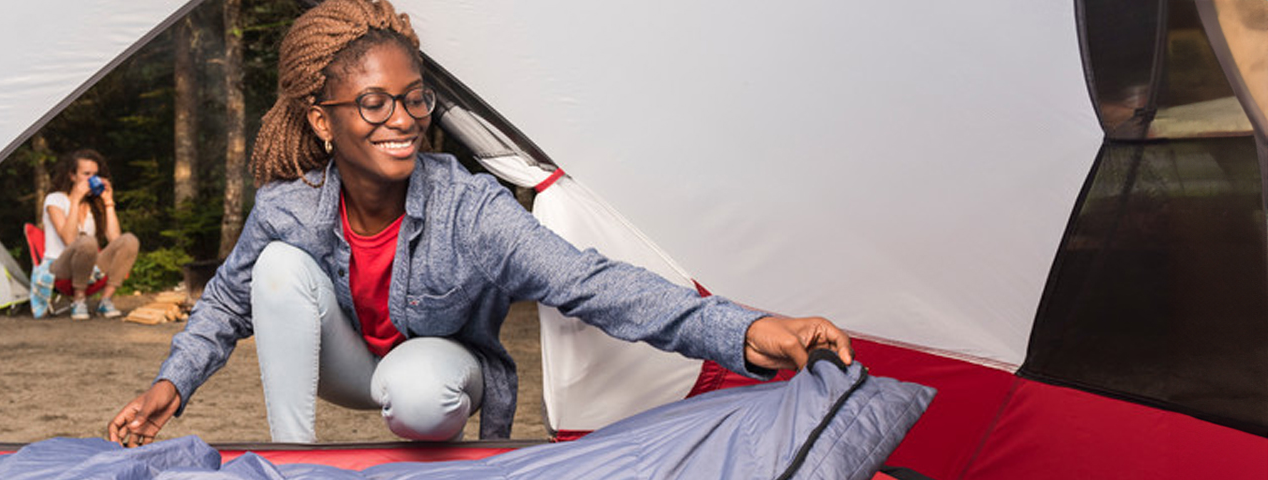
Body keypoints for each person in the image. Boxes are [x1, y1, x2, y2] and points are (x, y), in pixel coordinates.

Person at [107, 0, 852, 446]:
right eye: (373, 103)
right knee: (273, 270)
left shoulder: (471, 207)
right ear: (322, 121)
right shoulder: (288, 203)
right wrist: (170, 386)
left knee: (424, 390)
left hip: (432, 374)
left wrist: (748, 330)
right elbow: (227, 307)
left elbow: (593, 284)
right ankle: (294, 462)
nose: (402, 120)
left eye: (414, 98)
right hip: (344, 365)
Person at [42, 149, 139, 319]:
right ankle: (78, 300)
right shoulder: (55, 199)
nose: (92, 179)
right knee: (86, 241)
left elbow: (116, 241)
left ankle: (106, 300)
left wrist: (108, 202)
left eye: (95, 174)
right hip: (60, 269)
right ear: (73, 176)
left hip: (89, 269)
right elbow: (70, 240)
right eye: (86, 174)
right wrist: (75, 199)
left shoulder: (94, 204)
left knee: (129, 240)